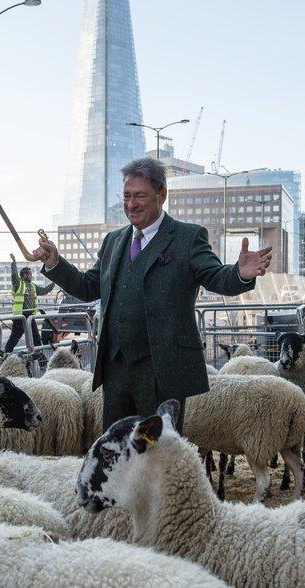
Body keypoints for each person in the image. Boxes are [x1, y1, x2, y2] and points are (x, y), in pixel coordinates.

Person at [34, 157, 272, 431]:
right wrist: (55, 263)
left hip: (163, 371)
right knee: (117, 450)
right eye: (126, 196)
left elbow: (216, 276)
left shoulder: (188, 237)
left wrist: (241, 273)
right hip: (116, 369)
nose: (131, 204)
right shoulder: (114, 241)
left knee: (160, 453)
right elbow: (89, 286)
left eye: (139, 196)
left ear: (162, 195)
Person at [2, 254, 55, 354]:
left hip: (29, 315)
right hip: (20, 315)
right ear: (25, 275)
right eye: (30, 274)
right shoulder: (19, 284)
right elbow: (14, 276)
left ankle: (7, 353)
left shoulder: (33, 286)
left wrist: (53, 284)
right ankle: (7, 354)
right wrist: (14, 263)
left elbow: (44, 291)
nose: (31, 276)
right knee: (17, 337)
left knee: (34, 338)